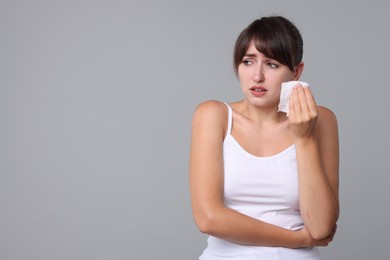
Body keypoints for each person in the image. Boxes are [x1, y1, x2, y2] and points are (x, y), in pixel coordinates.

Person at [189, 16, 339, 260]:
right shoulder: (213, 115)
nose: (257, 76)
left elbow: (321, 227)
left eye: (271, 64)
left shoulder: (321, 121)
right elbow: (208, 218)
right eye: (248, 61)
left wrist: (304, 139)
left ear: (296, 72)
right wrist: (297, 239)